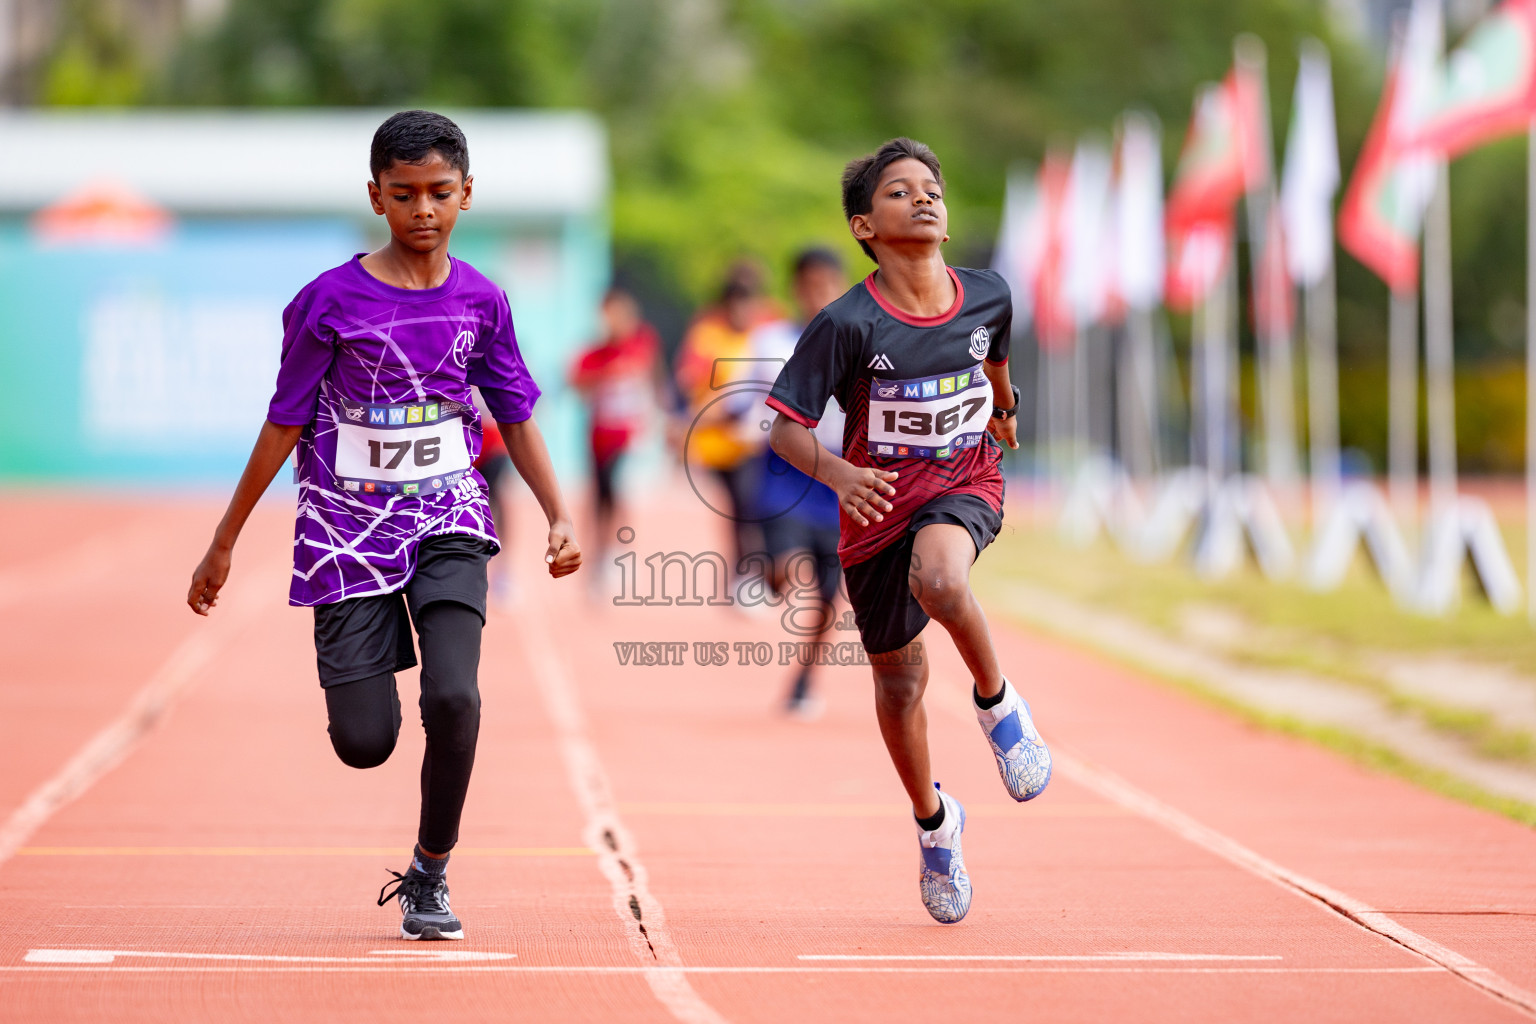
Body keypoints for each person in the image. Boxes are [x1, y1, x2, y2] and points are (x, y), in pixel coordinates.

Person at [185, 110, 581, 942]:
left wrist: (559, 515)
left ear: (467, 195)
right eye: (404, 194)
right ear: (376, 197)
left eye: (440, 192)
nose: (423, 210)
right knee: (364, 743)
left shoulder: (483, 300)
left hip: (448, 513)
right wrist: (225, 540)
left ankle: (430, 873)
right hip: (343, 527)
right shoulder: (328, 302)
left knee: (456, 696)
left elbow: (516, 411)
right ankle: (366, 689)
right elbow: (283, 422)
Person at [766, 138, 1050, 924]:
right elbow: (784, 431)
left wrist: (1006, 405)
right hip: (874, 514)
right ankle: (934, 823)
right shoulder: (846, 323)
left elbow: (994, 357)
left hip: (965, 483)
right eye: (900, 192)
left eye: (932, 189)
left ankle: (998, 706)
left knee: (945, 576)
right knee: (898, 683)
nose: (923, 198)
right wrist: (842, 476)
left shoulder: (990, 293)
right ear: (865, 225)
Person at [749, 249, 849, 718]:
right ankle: (772, 572)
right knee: (786, 568)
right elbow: (744, 402)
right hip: (786, 476)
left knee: (829, 596)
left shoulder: (859, 340)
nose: (818, 294)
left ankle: (804, 680)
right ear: (795, 288)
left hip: (839, 479)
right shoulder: (770, 340)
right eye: (809, 284)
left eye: (828, 283)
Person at [673, 263, 773, 581]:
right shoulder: (707, 336)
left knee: (757, 510)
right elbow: (690, 384)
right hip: (723, 443)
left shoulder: (767, 333)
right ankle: (745, 575)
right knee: (742, 510)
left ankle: (754, 573)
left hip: (762, 441)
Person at [570, 286, 663, 581]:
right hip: (600, 437)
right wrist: (604, 375)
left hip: (631, 436)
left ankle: (618, 552)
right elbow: (577, 386)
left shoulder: (642, 344)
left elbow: (654, 379)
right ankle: (598, 554)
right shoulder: (594, 354)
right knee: (600, 498)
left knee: (620, 489)